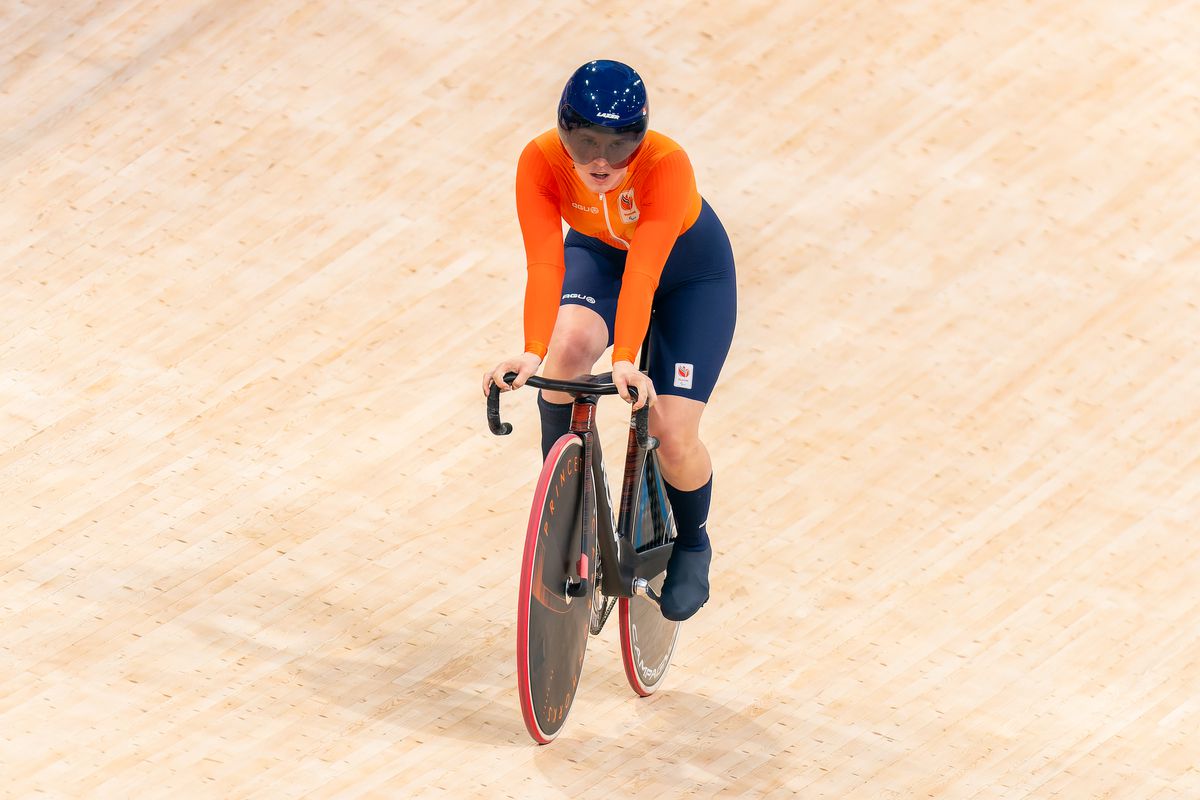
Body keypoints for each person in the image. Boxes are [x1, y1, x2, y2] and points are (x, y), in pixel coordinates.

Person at [483, 59, 736, 622]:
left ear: (640, 140)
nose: (600, 160)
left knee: (671, 431)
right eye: (585, 141)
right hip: (601, 259)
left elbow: (646, 273)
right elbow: (545, 261)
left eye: (619, 146)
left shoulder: (666, 166)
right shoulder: (541, 161)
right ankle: (564, 500)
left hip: (689, 279)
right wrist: (531, 350)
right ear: (562, 131)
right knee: (566, 350)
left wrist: (625, 358)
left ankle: (693, 540)